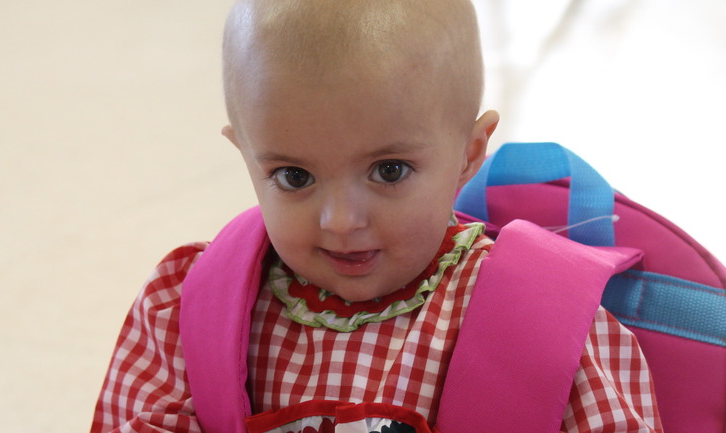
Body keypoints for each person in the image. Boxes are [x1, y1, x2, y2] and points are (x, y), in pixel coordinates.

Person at [91, 0, 663, 432]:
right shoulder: (189, 307)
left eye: (389, 171)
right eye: (294, 177)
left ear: (468, 154)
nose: (340, 221)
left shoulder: (547, 325)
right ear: (246, 154)